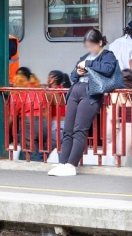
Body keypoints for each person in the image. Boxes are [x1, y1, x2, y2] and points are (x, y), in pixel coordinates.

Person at [47, 30, 119, 177]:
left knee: (80, 129)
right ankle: (63, 163)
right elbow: (73, 75)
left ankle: (71, 165)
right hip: (75, 90)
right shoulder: (85, 57)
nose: (89, 49)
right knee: (67, 129)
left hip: (91, 93)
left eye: (92, 45)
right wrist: (78, 72)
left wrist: (89, 64)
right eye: (87, 46)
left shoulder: (108, 56)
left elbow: (108, 69)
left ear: (100, 43)